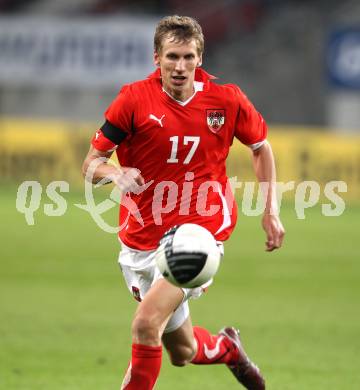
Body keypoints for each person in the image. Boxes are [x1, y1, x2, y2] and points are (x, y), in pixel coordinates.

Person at [82, 15, 284, 390]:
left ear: (200, 58)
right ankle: (227, 348)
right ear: (156, 57)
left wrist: (270, 212)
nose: (180, 66)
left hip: (198, 234)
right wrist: (115, 173)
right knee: (183, 350)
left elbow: (260, 147)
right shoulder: (133, 100)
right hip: (141, 238)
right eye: (172, 56)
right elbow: (90, 164)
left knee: (145, 325)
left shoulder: (226, 100)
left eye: (188, 57)